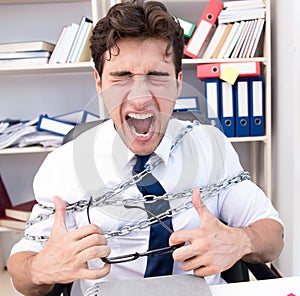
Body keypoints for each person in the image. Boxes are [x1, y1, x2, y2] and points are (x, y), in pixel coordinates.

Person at [7, 0, 284, 295]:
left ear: (178, 83)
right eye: (122, 76)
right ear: (99, 83)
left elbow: (273, 235)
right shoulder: (63, 165)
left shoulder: (210, 146)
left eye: (157, 76)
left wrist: (241, 240)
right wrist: (41, 268)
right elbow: (21, 271)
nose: (140, 98)